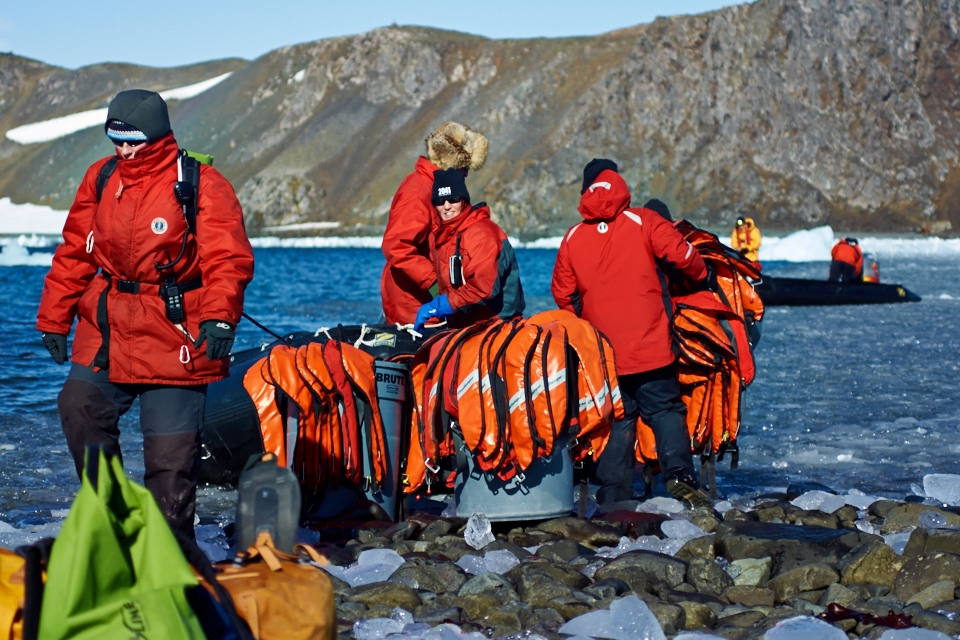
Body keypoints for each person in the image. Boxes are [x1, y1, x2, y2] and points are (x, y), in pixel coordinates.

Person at [36, 89, 255, 539]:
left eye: (133, 140)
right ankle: (113, 520)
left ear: (157, 135)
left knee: (171, 461)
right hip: (109, 324)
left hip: (175, 329)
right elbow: (75, 252)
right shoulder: (101, 177)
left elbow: (227, 258)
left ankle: (171, 552)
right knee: (78, 405)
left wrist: (220, 318)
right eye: (116, 140)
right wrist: (53, 318)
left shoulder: (200, 183)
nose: (124, 149)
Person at [551, 159, 712, 508]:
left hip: (605, 356)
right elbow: (684, 256)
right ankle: (680, 477)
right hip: (652, 347)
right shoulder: (644, 221)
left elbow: (563, 295)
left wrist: (590, 319)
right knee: (665, 410)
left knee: (619, 421)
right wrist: (703, 276)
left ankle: (613, 498)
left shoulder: (573, 237)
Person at [381, 122, 488, 325]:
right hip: (416, 303)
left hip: (428, 300)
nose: (466, 174)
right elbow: (397, 246)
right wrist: (435, 283)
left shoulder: (433, 188)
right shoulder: (419, 191)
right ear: (451, 163)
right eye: (464, 168)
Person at [413, 169, 524, 331]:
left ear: (464, 200)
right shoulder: (441, 236)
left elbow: (483, 289)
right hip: (464, 326)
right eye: (440, 201)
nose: (447, 206)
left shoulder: (481, 233)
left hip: (495, 326)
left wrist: (439, 305)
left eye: (453, 199)